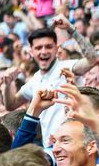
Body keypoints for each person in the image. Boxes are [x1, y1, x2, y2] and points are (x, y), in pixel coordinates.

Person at [6, 18, 99, 147]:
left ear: (56, 48)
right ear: (31, 51)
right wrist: (8, 84)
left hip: (75, 144)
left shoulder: (68, 67)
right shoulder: (34, 80)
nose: (44, 51)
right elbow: (11, 105)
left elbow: (93, 59)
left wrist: (71, 29)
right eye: (38, 48)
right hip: (50, 147)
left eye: (48, 47)